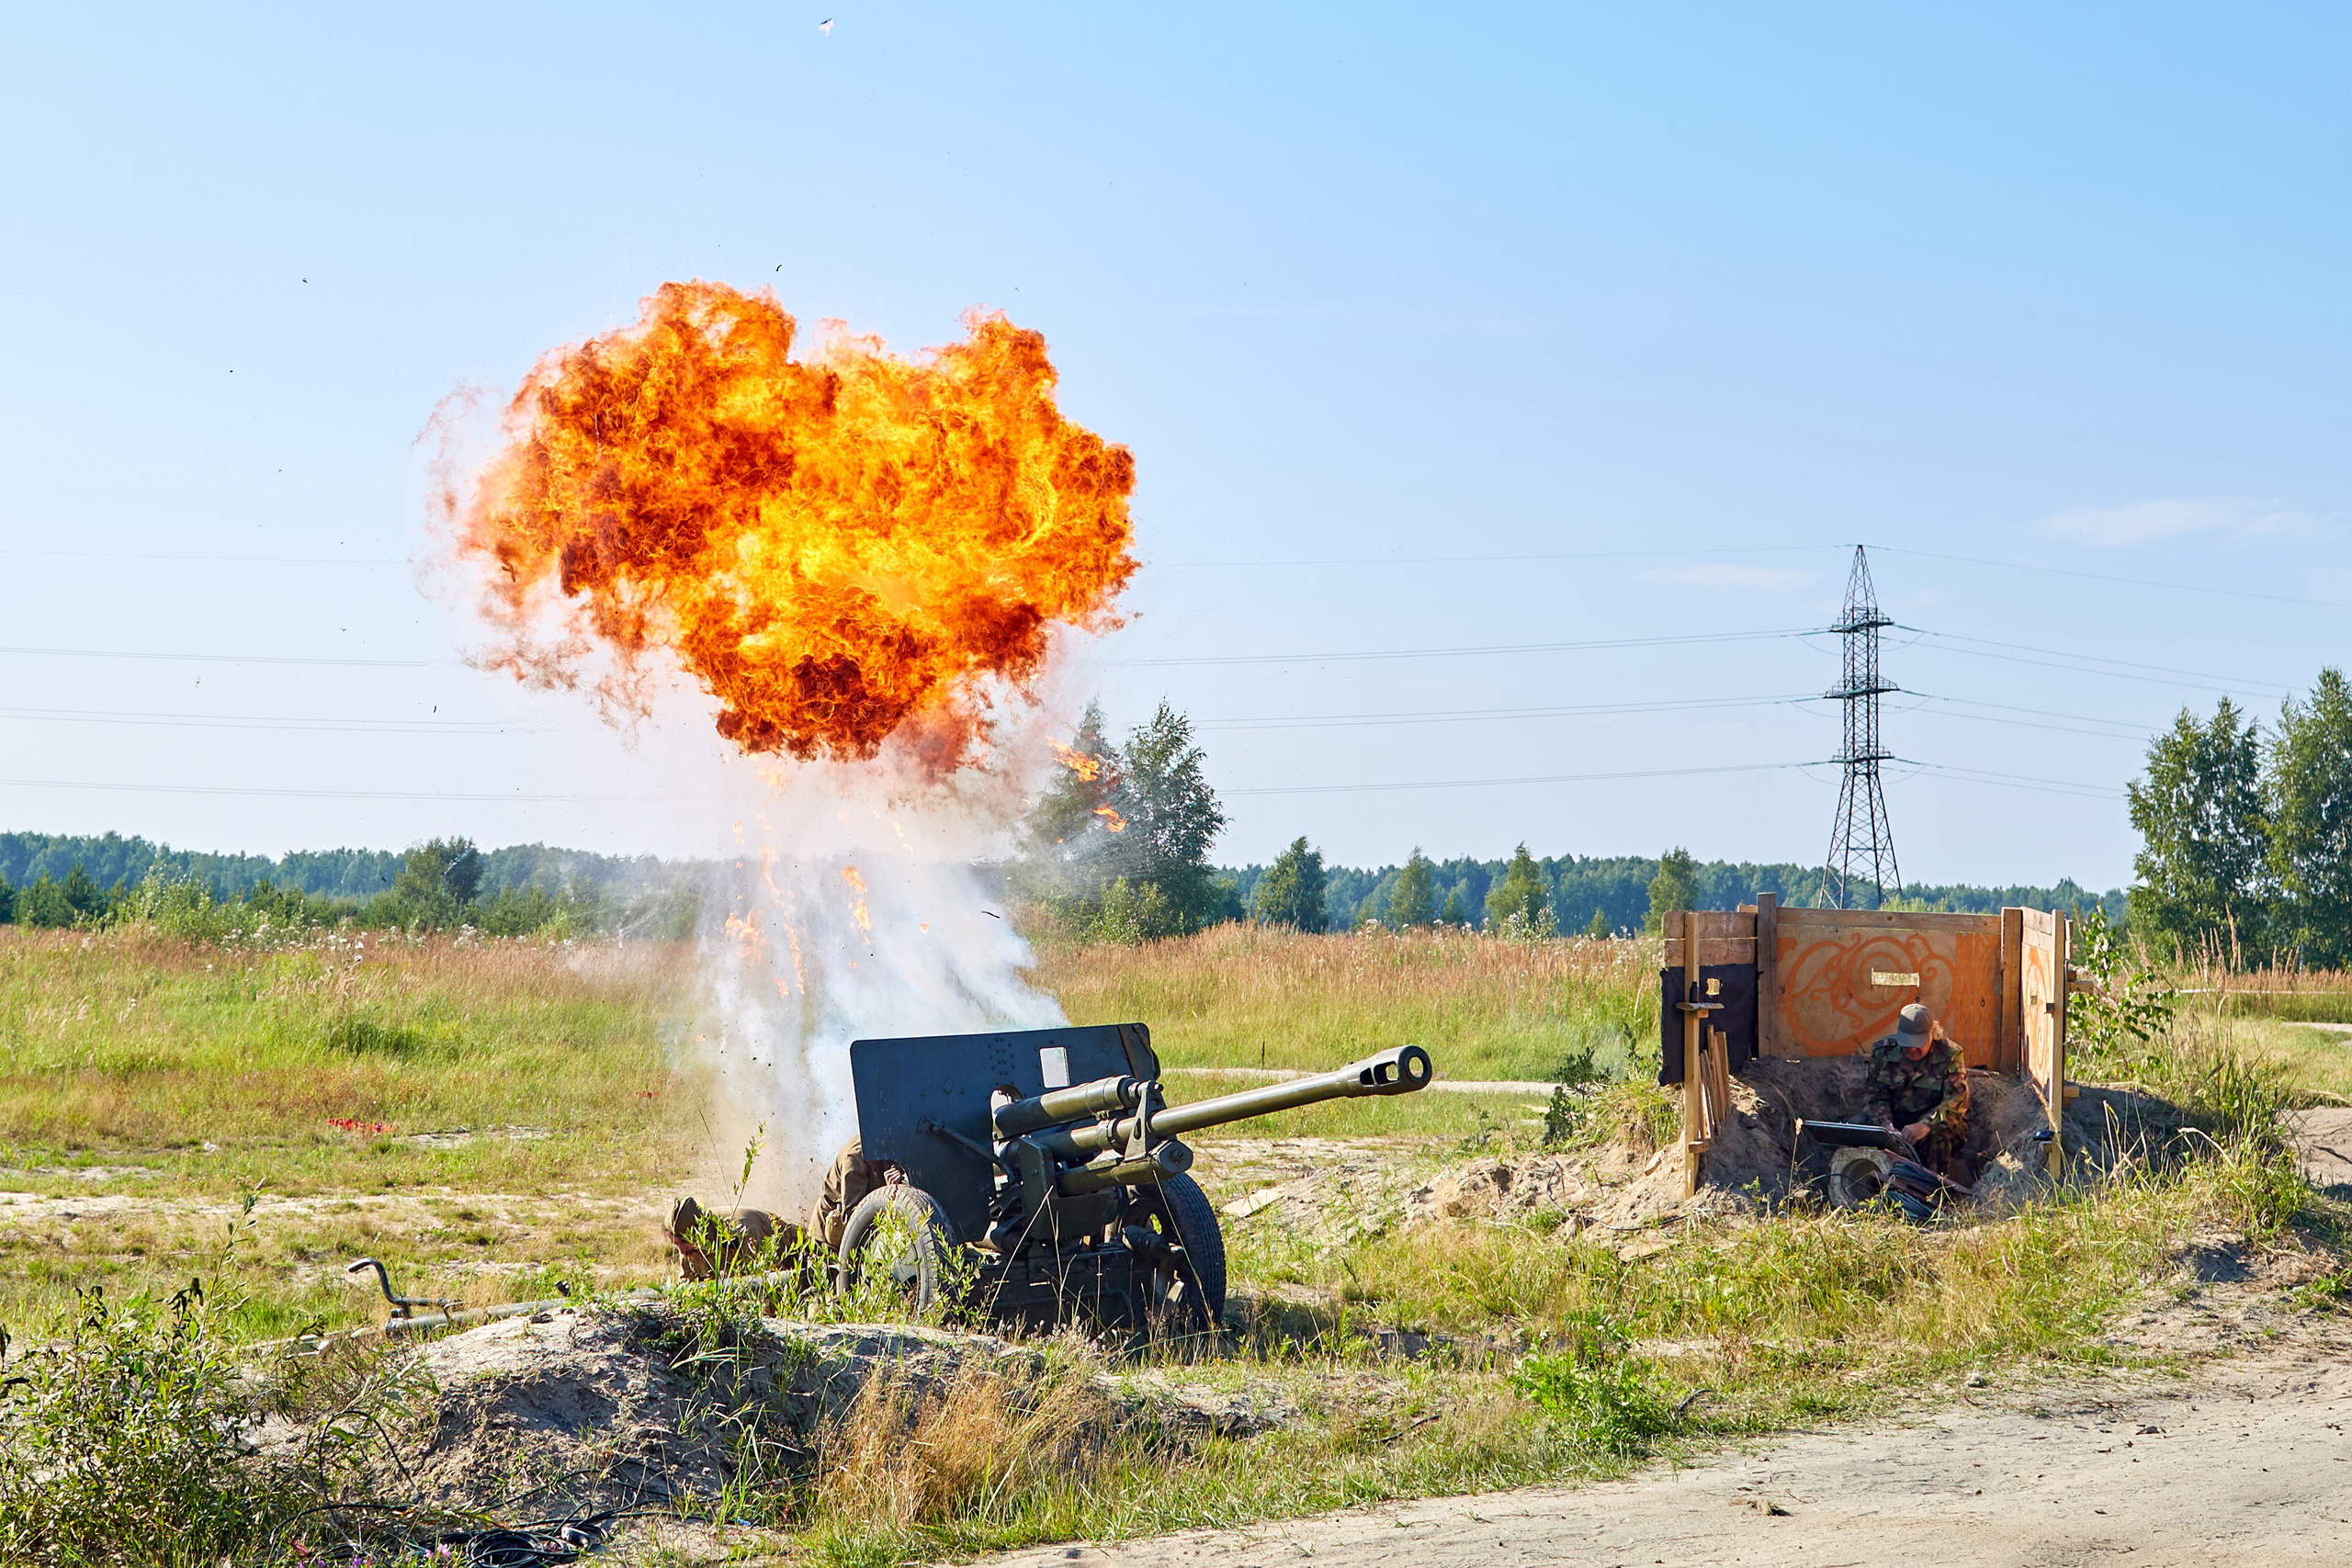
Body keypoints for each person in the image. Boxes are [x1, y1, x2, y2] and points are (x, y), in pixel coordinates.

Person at [1864, 1002, 1971, 1179]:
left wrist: (1926, 1125)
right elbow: (1874, 1096)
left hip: (1933, 1124)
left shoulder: (1950, 1054)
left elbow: (1957, 1101)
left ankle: (1932, 1188)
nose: (1911, 1049)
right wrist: (1885, 1126)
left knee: (1941, 1136)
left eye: (1917, 1043)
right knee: (1860, 1126)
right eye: (1906, 1044)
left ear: (1932, 1034)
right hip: (1895, 1121)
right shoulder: (1882, 1051)